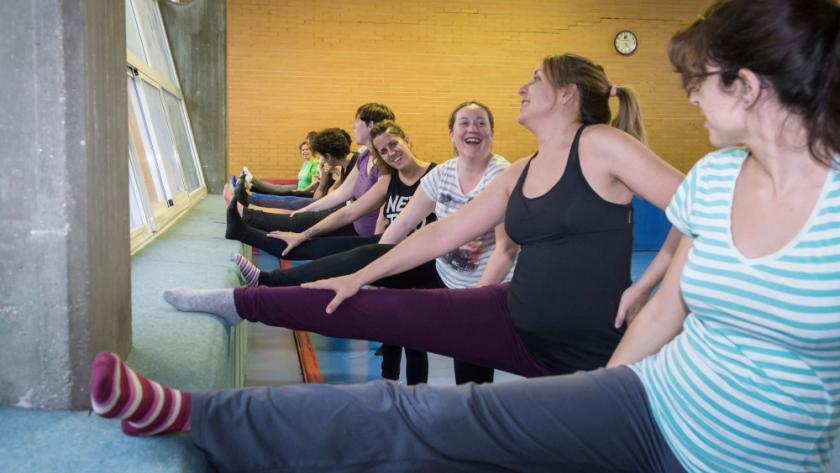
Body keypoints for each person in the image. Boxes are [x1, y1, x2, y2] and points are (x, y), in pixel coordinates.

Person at [91, 1, 840, 471]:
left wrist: (646, 276)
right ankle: (196, 411)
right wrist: (611, 378)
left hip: (721, 432)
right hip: (639, 392)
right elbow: (657, 308)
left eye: (702, 82)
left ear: (748, 85)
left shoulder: (611, 151)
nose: (690, 97)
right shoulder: (716, 177)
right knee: (411, 407)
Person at [225, 101, 517, 385]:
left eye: (481, 123)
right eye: (464, 123)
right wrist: (377, 267)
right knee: (367, 260)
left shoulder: (500, 176)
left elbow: (505, 249)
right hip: (441, 270)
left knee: (471, 376)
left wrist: (477, 302)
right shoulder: (443, 174)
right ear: (451, 134)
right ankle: (267, 281)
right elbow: (400, 223)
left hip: (482, 286)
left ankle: (466, 412)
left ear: (491, 132)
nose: (473, 128)